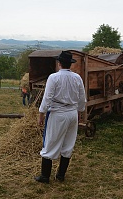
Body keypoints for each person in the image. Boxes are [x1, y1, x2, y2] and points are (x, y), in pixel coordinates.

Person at [35, 51, 86, 184]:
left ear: (59, 64)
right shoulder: (77, 78)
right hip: (72, 114)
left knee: (50, 143)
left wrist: (41, 113)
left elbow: (47, 98)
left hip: (58, 114)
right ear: (71, 64)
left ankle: (45, 176)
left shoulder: (53, 77)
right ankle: (60, 175)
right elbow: (82, 98)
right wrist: (80, 111)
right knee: (68, 144)